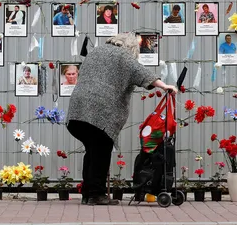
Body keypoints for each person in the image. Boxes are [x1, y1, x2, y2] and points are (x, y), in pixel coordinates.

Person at [66, 33, 178, 206]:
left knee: (92, 152)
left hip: (78, 110)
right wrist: (165, 86)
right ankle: (96, 195)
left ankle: (88, 194)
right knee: (100, 152)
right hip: (99, 113)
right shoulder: (123, 56)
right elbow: (141, 72)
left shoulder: (96, 52)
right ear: (131, 47)